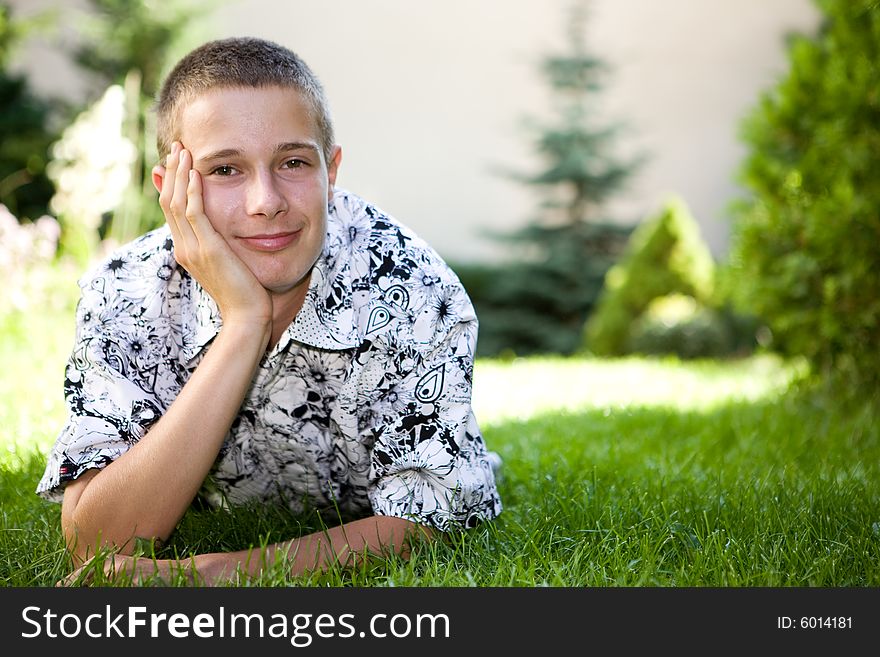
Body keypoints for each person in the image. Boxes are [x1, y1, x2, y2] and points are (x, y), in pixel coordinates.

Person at [37, 36, 502, 585]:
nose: (266, 200)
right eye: (226, 170)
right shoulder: (125, 291)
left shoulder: (414, 289)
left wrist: (216, 573)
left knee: (459, 479)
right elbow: (98, 543)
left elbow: (435, 518)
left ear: (332, 171)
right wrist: (244, 324)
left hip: (367, 490)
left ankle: (472, 457)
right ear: (171, 190)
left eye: (294, 162)